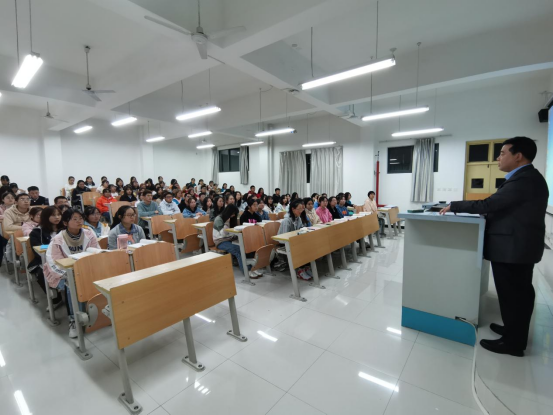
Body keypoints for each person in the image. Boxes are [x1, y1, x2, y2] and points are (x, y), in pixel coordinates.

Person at [440, 137, 548, 357]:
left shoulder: (524, 179)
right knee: (515, 294)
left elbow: (491, 204)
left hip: (514, 249)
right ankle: (512, 330)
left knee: (514, 295)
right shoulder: (525, 178)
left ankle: (513, 343)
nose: (498, 158)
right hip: (516, 247)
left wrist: (454, 205)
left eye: (502, 153)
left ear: (518, 156)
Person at [44, 209, 99, 337]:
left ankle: (99, 312)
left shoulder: (89, 234)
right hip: (62, 275)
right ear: (65, 222)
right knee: (72, 285)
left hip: (85, 271)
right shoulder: (58, 240)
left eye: (81, 218)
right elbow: (53, 263)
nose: (79, 221)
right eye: (75, 219)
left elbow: (96, 252)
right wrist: (71, 275)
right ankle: (74, 319)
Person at [28, 206, 64, 304]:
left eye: (59, 215)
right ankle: (55, 298)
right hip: (44, 260)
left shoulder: (65, 229)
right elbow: (37, 251)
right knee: (42, 273)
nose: (57, 217)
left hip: (65, 259)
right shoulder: (37, 232)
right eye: (53, 215)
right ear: (46, 217)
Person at [277, 199, 312, 280]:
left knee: (308, 246)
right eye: (299, 209)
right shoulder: (286, 220)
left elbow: (300, 229)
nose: (301, 211)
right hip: (284, 243)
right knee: (301, 249)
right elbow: (284, 237)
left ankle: (306, 267)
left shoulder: (298, 218)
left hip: (294, 240)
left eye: (302, 209)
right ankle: (300, 270)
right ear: (293, 209)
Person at [213, 204, 249, 273]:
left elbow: (234, 230)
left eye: (235, 214)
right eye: (233, 214)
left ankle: (249, 265)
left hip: (230, 239)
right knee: (238, 249)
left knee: (246, 245)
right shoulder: (218, 219)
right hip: (220, 241)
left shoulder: (232, 218)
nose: (234, 215)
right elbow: (223, 234)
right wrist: (226, 223)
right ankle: (245, 270)